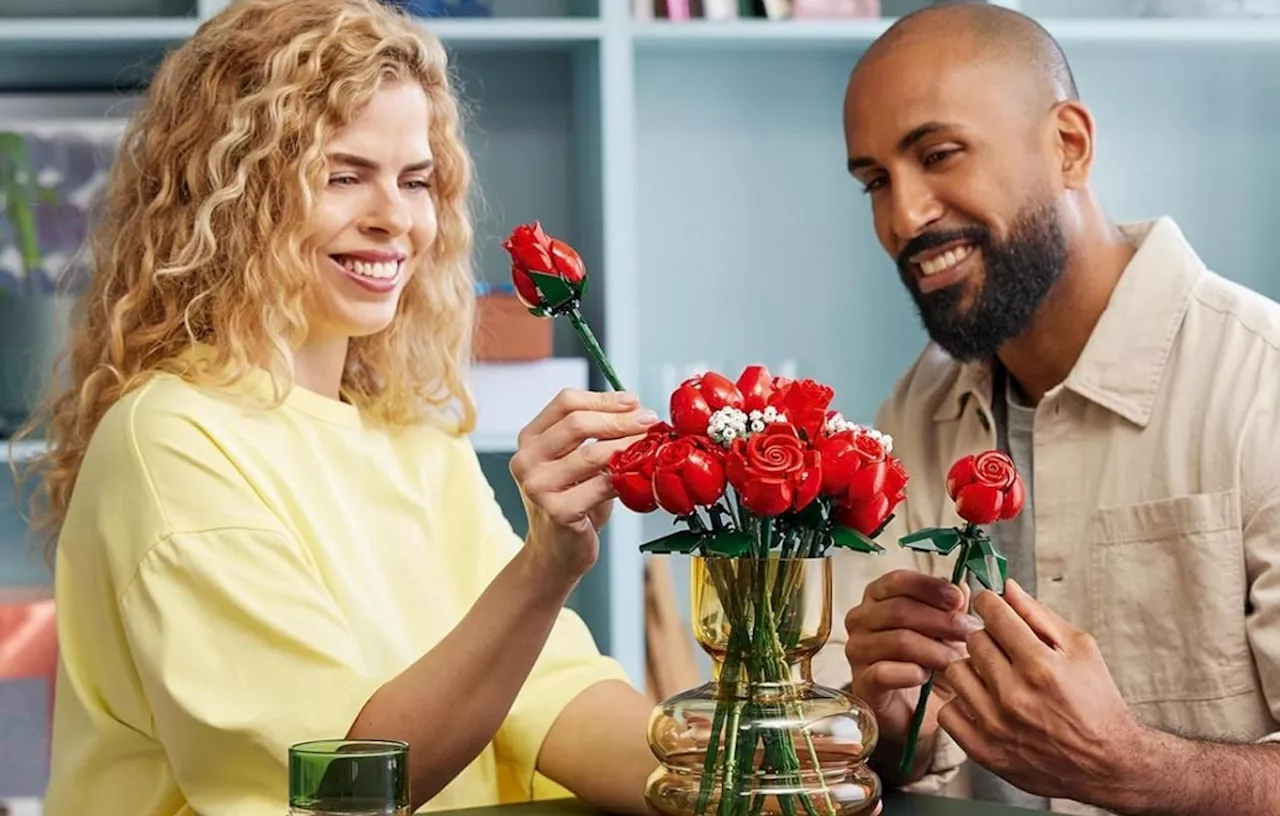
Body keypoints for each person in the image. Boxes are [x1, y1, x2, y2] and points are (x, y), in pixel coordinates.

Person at [16, 1, 659, 814]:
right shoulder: (172, 441)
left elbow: (555, 696)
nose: (396, 218)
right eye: (344, 175)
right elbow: (344, 783)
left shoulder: (415, 440)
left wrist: (751, 778)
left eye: (415, 180)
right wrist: (544, 570)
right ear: (237, 194)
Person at [814, 3, 1280, 815]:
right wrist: (890, 729)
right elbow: (875, 752)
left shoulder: (1261, 384)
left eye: (939, 154)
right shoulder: (913, 411)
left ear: (1068, 145)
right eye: (876, 182)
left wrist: (1135, 767)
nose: (903, 217)